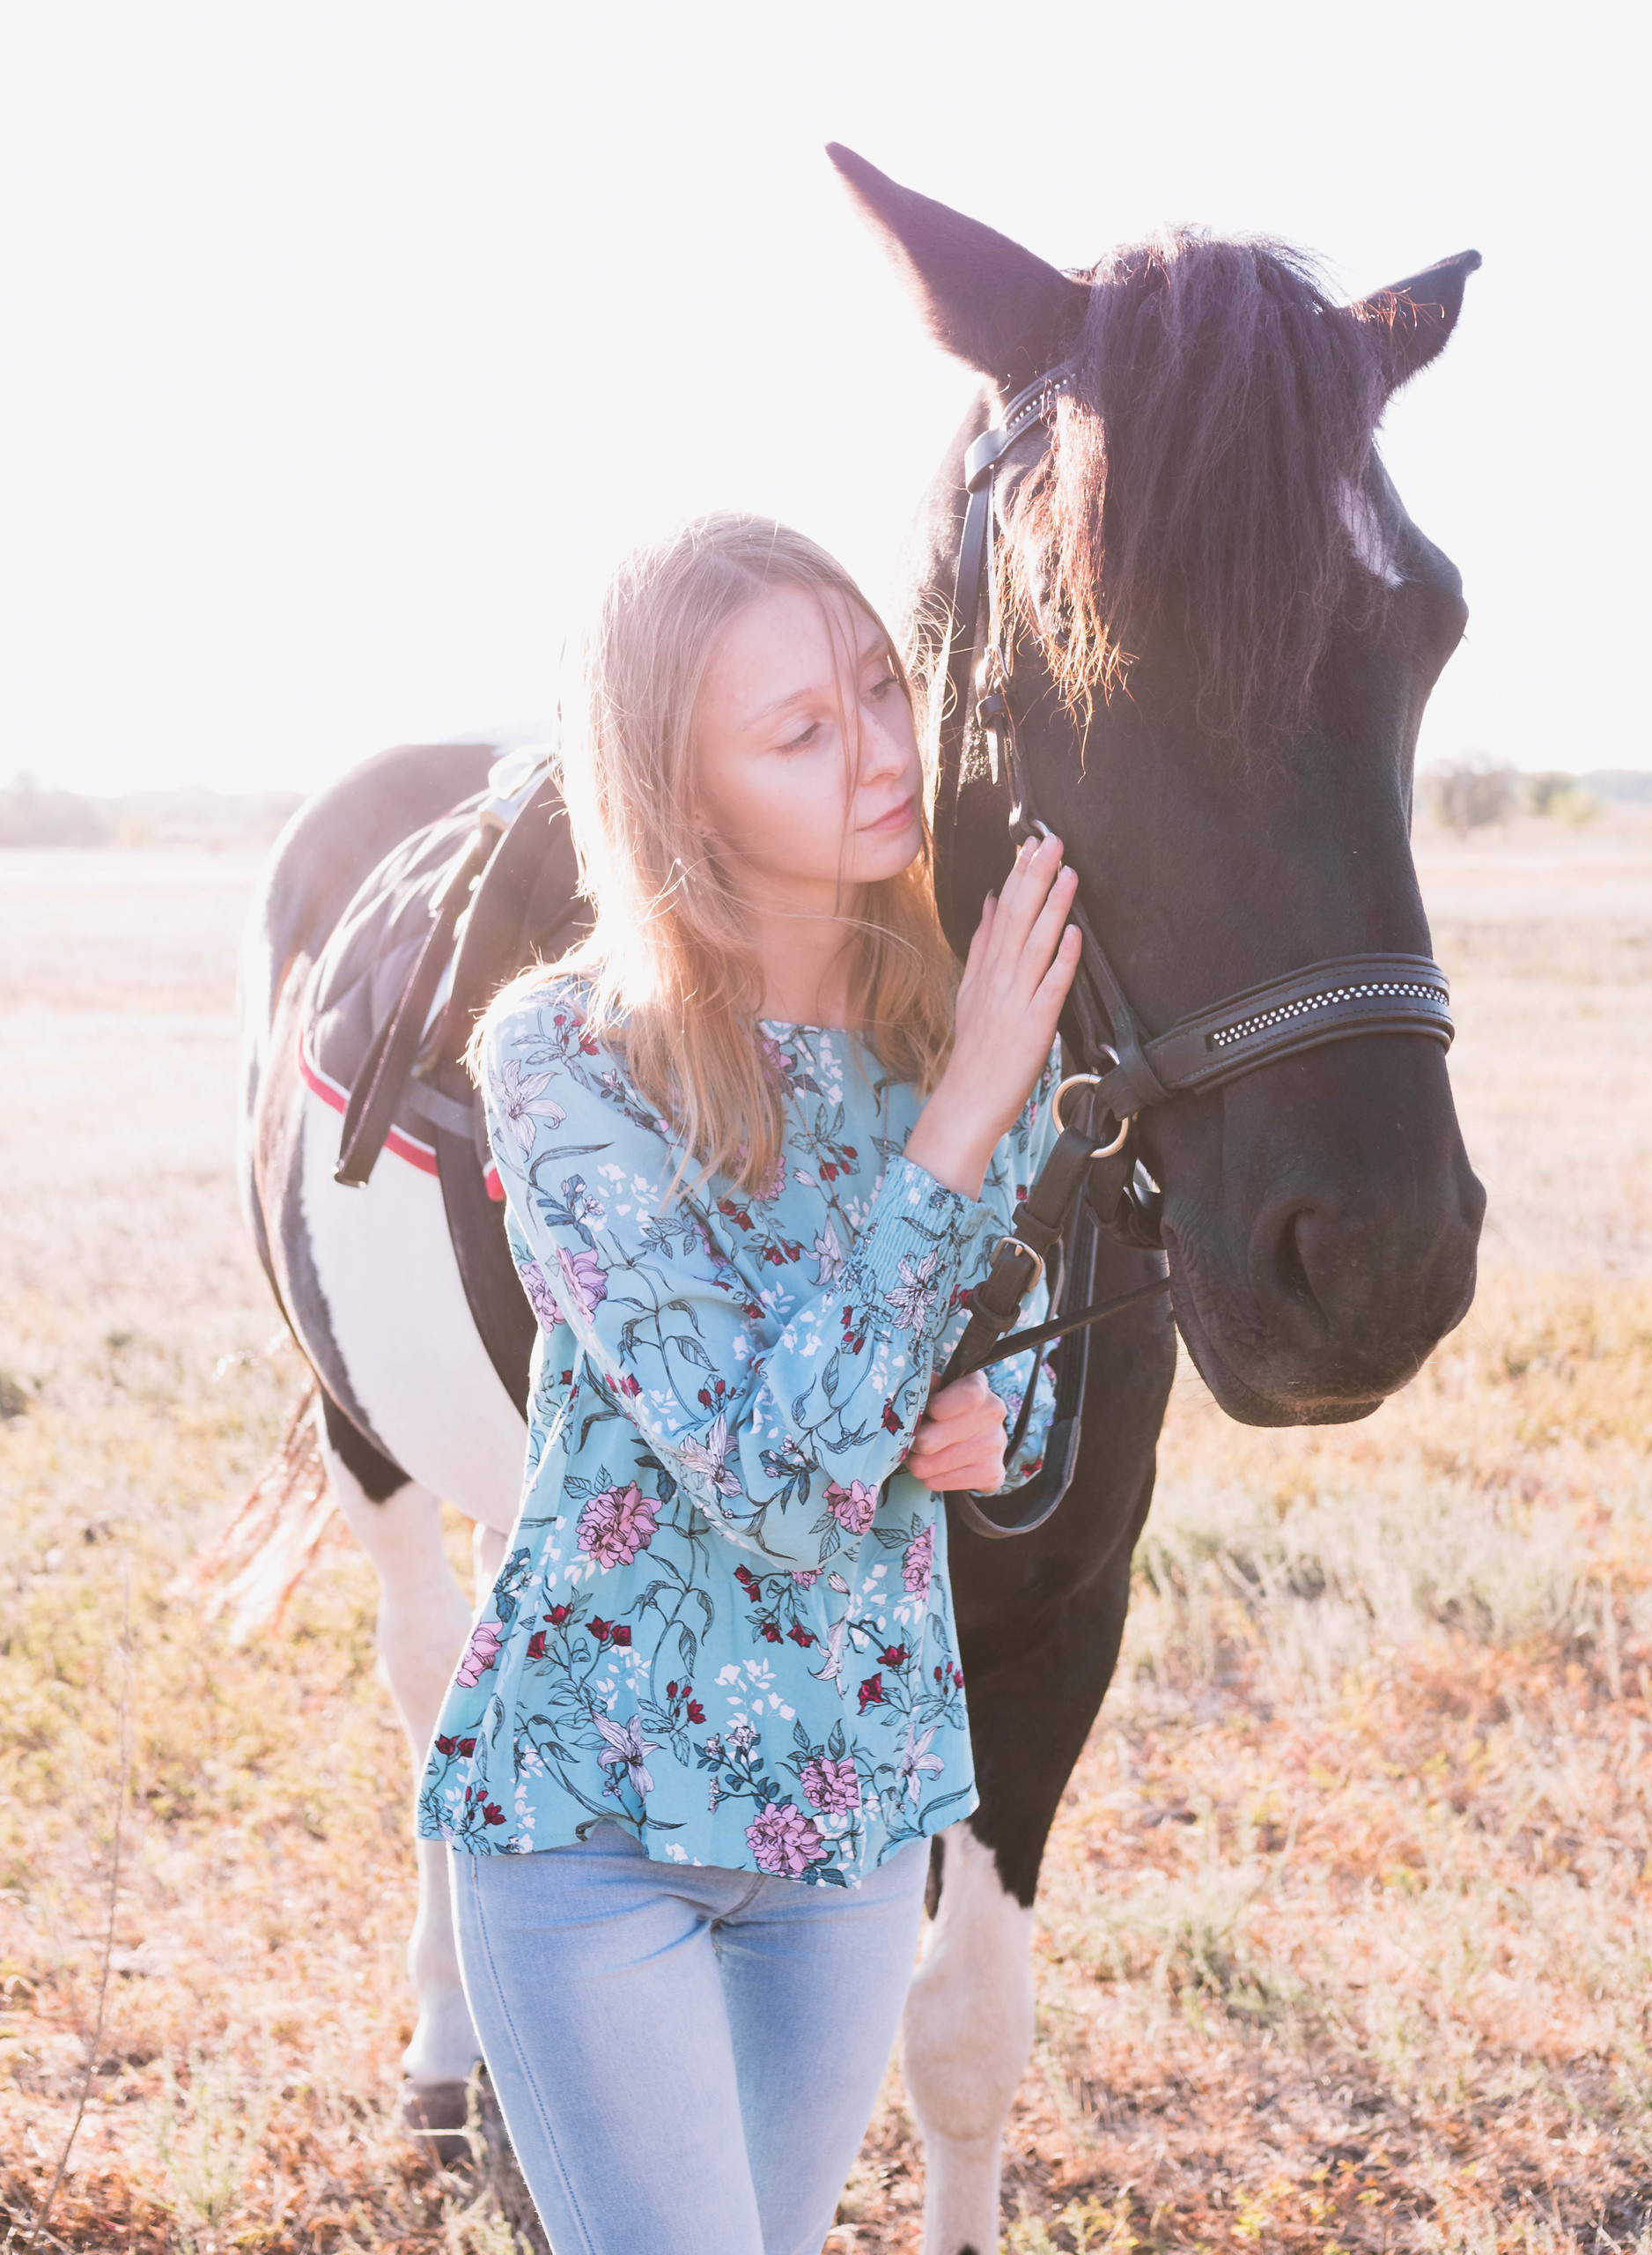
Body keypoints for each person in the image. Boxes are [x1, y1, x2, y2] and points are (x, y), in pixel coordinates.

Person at [417, 514, 1081, 2254]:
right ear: (685, 794)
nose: (875, 748)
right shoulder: (563, 1058)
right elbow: (778, 1483)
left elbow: (1023, 1369)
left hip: (852, 1814)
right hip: (590, 1817)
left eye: (878, 683)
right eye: (798, 729)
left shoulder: (965, 1028)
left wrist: (995, 1426)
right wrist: (962, 1122)